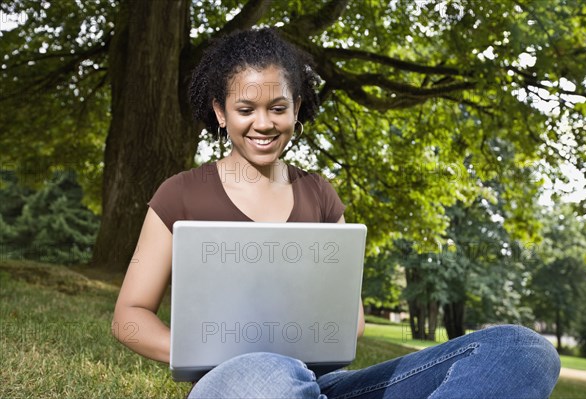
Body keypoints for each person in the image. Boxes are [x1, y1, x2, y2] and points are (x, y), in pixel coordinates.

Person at [112, 28, 561, 398]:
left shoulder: (320, 194)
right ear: (220, 112)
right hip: (238, 384)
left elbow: (353, 319)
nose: (263, 123)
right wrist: (204, 352)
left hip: (323, 386)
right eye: (245, 109)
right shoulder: (180, 194)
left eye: (278, 108)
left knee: (521, 348)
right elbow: (128, 316)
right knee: (269, 378)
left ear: (297, 109)